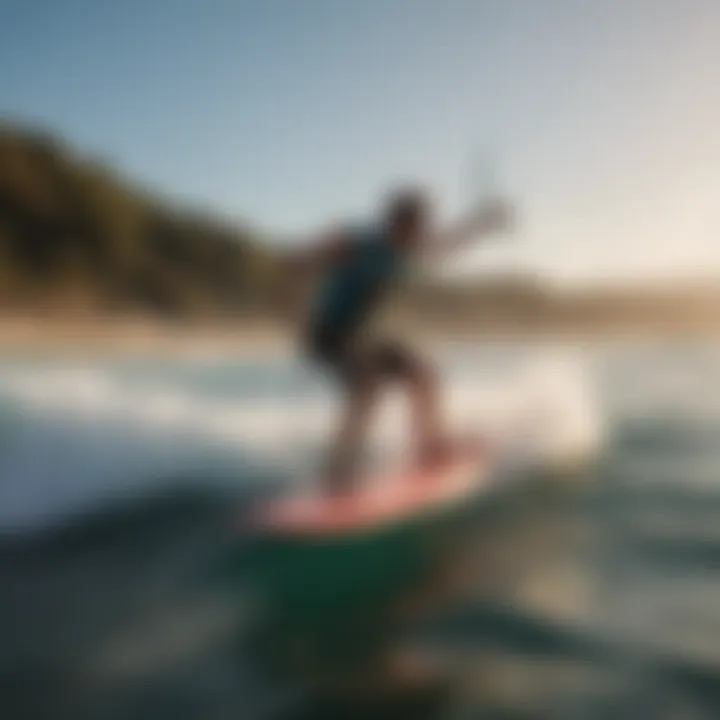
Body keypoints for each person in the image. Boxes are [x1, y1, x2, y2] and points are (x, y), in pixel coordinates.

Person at [292, 185, 513, 494]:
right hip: (326, 335)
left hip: (360, 338)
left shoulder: (407, 248)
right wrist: (306, 280)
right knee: (367, 386)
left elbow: (447, 244)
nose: (419, 232)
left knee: (422, 373)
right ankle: (338, 475)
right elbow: (306, 260)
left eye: (421, 226)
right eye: (413, 225)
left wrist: (483, 221)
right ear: (393, 222)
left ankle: (430, 449)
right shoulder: (361, 243)